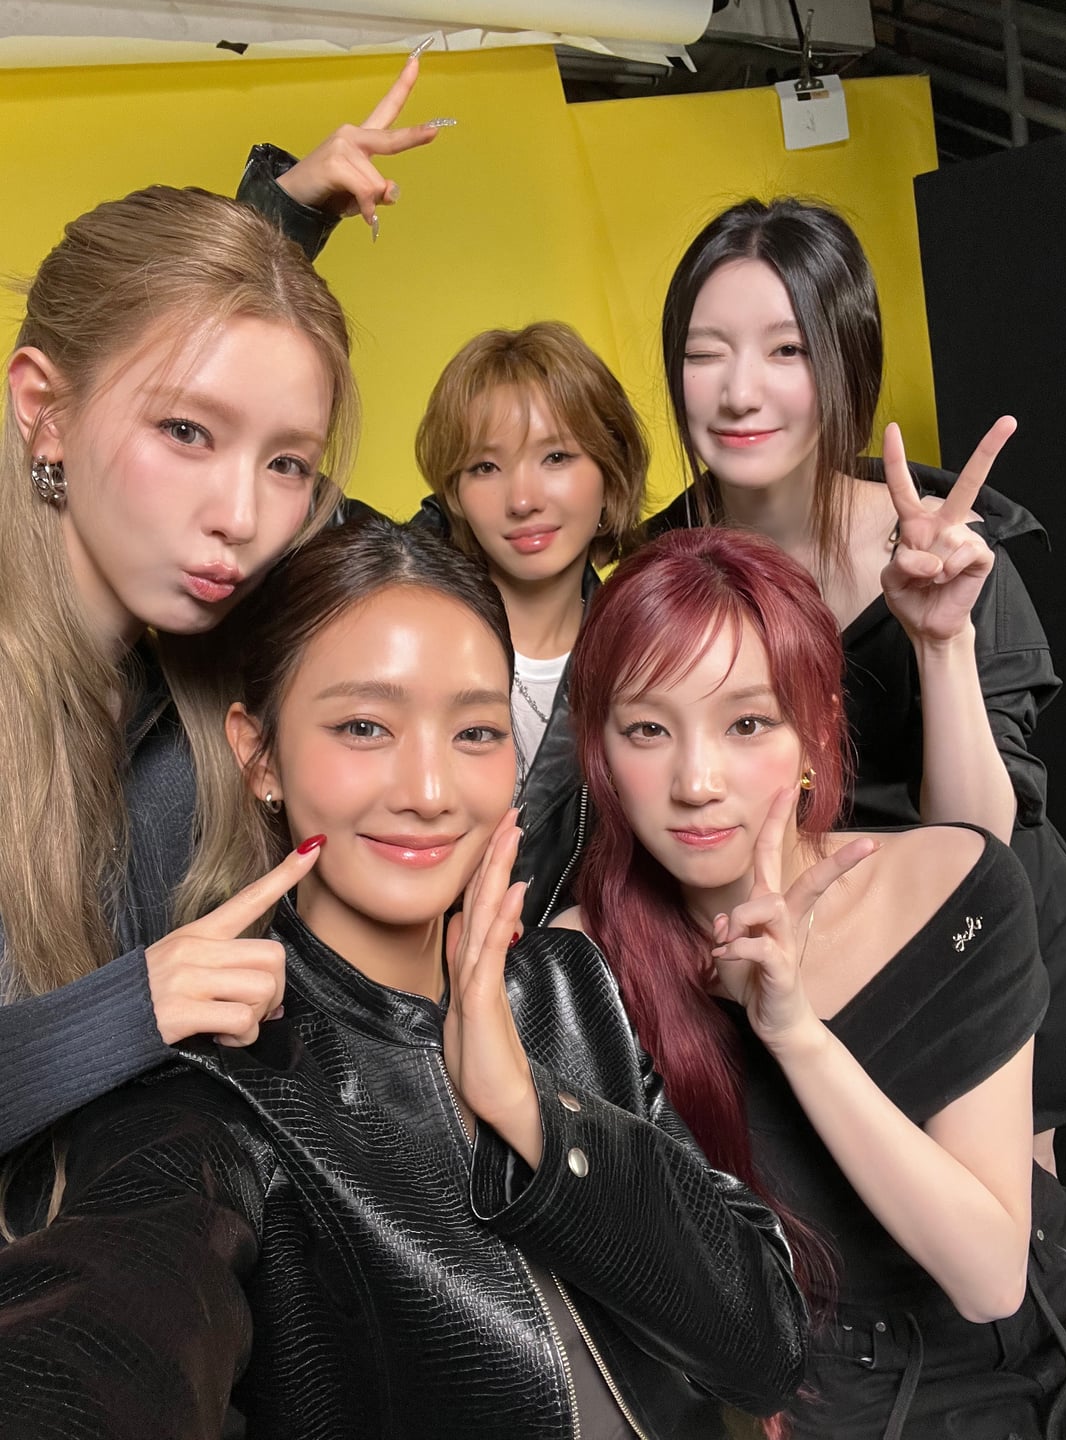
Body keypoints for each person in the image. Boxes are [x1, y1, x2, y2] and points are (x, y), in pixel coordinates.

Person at [0, 518, 808, 1440]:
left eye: (475, 731)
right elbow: (109, 1319)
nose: (429, 791)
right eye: (364, 727)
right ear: (258, 755)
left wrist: (532, 1113)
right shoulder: (219, 1091)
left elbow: (767, 1347)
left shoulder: (571, 986)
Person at [0, 56, 452, 1163]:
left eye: (288, 462)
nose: (242, 519)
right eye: (185, 434)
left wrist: (281, 222)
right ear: (42, 410)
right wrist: (133, 1008)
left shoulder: (199, 680)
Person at [555, 524, 1066, 1438]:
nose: (697, 781)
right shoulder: (578, 969)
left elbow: (990, 1274)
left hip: (1043, 1329)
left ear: (817, 730)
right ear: (599, 751)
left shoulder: (954, 881)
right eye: (648, 729)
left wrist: (796, 1033)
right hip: (820, 1397)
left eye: (747, 723)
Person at [648, 197, 1066, 1155]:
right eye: (706, 353)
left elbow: (982, 844)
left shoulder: (950, 551)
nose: (740, 393)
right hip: (802, 966)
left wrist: (941, 639)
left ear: (847, 362)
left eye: (787, 350)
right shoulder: (659, 574)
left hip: (978, 948)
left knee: (1010, 1230)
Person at [413, 321, 649, 924]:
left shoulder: (646, 660)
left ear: (610, 471)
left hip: (560, 975)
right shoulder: (398, 624)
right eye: (485, 467)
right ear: (455, 492)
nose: (522, 499)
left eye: (556, 457)